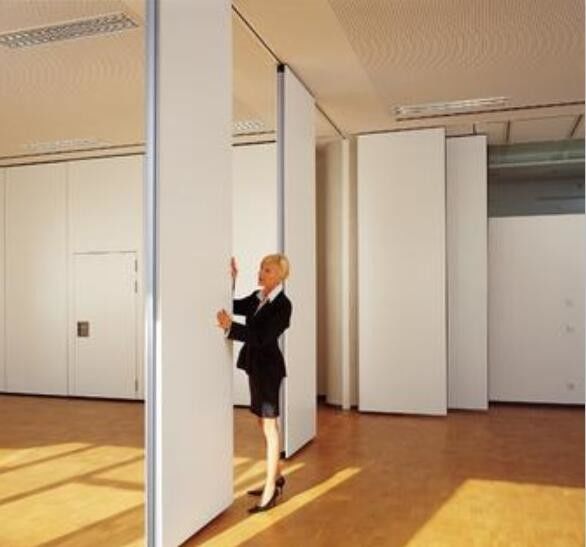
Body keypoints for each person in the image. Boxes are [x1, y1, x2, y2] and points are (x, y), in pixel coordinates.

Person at [216, 254, 292, 514]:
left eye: (267, 270)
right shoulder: (257, 297)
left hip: (269, 370)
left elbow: (261, 337)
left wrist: (231, 328)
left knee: (269, 426)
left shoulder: (283, 305)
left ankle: (270, 490)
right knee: (263, 422)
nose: (261, 272)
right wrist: (231, 280)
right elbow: (233, 305)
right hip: (255, 367)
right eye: (261, 268)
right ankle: (277, 476)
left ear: (280, 275)